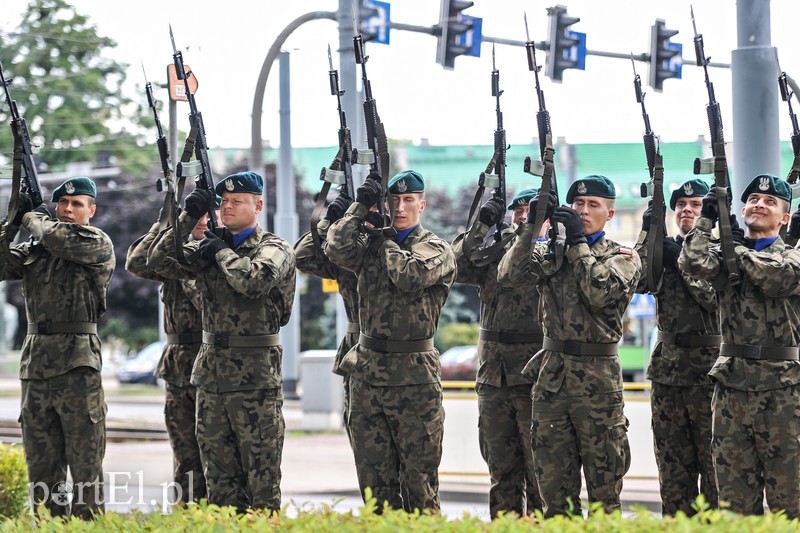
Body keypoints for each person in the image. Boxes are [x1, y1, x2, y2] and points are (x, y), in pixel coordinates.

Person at [147, 171, 296, 513]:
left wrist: (219, 253)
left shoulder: (274, 247)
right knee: (219, 486)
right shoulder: (208, 247)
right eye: (223, 201)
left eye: (237, 201)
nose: (227, 207)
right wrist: (186, 218)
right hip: (211, 379)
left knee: (261, 484)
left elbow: (254, 280)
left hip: (255, 381)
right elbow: (156, 261)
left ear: (258, 205)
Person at [497, 175, 641, 517]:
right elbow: (508, 276)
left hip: (598, 384)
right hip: (553, 382)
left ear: (610, 213)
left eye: (593, 206)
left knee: (605, 496)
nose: (584, 211)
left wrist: (577, 241)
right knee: (555, 497)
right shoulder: (551, 252)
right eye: (578, 205)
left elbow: (599, 291)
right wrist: (531, 227)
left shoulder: (623, 257)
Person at [325, 170, 456, 512]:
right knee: (374, 486)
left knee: (419, 484)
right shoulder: (367, 246)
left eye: (408, 200)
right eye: (393, 200)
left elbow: (409, 275)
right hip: (368, 374)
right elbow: (334, 248)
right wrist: (357, 208)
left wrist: (383, 241)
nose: (400, 208)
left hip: (413, 377)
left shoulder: (436, 248)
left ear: (421, 205)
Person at [679, 173, 800, 517]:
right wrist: (706, 220)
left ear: (785, 218)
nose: (759, 204)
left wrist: (734, 248)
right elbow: (691, 263)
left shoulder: (792, 256)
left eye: (770, 201)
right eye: (752, 199)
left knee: (789, 501)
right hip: (732, 389)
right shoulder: (726, 255)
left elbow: (777, 277)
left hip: (782, 391)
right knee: (733, 502)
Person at [0, 177, 115, 519]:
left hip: (78, 366)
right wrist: (11, 221)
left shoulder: (95, 242)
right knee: (42, 472)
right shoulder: (37, 249)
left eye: (77, 204)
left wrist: (32, 220)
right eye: (62, 204)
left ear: (91, 210)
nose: (67, 209)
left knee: (85, 473)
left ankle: (88, 528)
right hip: (36, 367)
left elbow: (56, 236)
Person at [452, 187, 544, 518]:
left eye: (529, 210)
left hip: (535, 377)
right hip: (494, 377)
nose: (522, 215)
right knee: (501, 472)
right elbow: (455, 266)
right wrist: (482, 225)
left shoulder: (553, 254)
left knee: (542, 473)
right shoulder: (494, 253)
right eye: (517, 210)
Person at [124, 197, 221, 504]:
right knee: (185, 457)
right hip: (178, 366)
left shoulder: (221, 253)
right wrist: (169, 222)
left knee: (218, 457)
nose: (202, 220)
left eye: (208, 213)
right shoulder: (171, 252)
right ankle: (187, 515)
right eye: (197, 214)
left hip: (215, 364)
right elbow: (137, 262)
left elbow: (207, 305)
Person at [635, 178, 720, 515]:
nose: (686, 210)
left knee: (713, 468)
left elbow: (713, 300)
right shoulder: (665, 250)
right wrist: (648, 233)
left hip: (710, 372)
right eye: (681, 206)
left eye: (695, 205)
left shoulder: (721, 251)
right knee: (672, 469)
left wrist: (683, 261)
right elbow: (637, 280)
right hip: (669, 371)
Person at [294, 191, 359, 445]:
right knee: (369, 463)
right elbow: (302, 256)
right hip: (359, 357)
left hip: (404, 367)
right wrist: (330, 220)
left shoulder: (402, 249)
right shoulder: (347, 256)